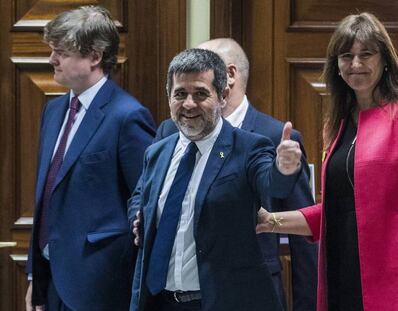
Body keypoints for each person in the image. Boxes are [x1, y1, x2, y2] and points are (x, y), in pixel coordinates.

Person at [143, 38, 317, 310]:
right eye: (179, 94)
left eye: (200, 93)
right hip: (162, 299)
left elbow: (275, 188)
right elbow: (144, 195)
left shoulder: (257, 142)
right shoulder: (163, 142)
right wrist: (137, 218)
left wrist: (285, 169)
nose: (189, 104)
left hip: (233, 295)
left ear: (222, 92)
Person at [257, 12, 398, 311]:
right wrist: (270, 221)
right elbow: (339, 210)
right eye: (347, 55)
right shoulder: (338, 126)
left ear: (385, 60)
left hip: (387, 283)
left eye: (366, 54)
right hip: (341, 277)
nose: (356, 64)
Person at [25, 6, 155, 311]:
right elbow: (48, 197)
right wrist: (36, 277)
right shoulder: (54, 110)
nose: (51, 60)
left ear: (94, 57)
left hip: (101, 287)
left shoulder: (127, 116)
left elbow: (145, 201)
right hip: (52, 281)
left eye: (61, 52)